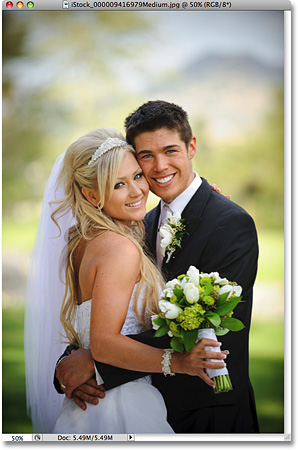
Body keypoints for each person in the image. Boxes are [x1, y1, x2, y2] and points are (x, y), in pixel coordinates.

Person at [55, 101, 259, 433]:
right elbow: (111, 310)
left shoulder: (229, 223)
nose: (159, 166)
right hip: (143, 404)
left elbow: (209, 330)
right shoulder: (139, 224)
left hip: (207, 410)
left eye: (170, 151)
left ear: (191, 147)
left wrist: (95, 362)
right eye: (146, 156)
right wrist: (70, 363)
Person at [25, 127, 227, 433]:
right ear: (91, 195)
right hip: (122, 405)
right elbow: (104, 345)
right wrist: (179, 362)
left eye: (137, 176)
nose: (136, 191)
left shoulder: (82, 240)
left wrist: (206, 208)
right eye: (119, 184)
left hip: (90, 406)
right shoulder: (119, 247)